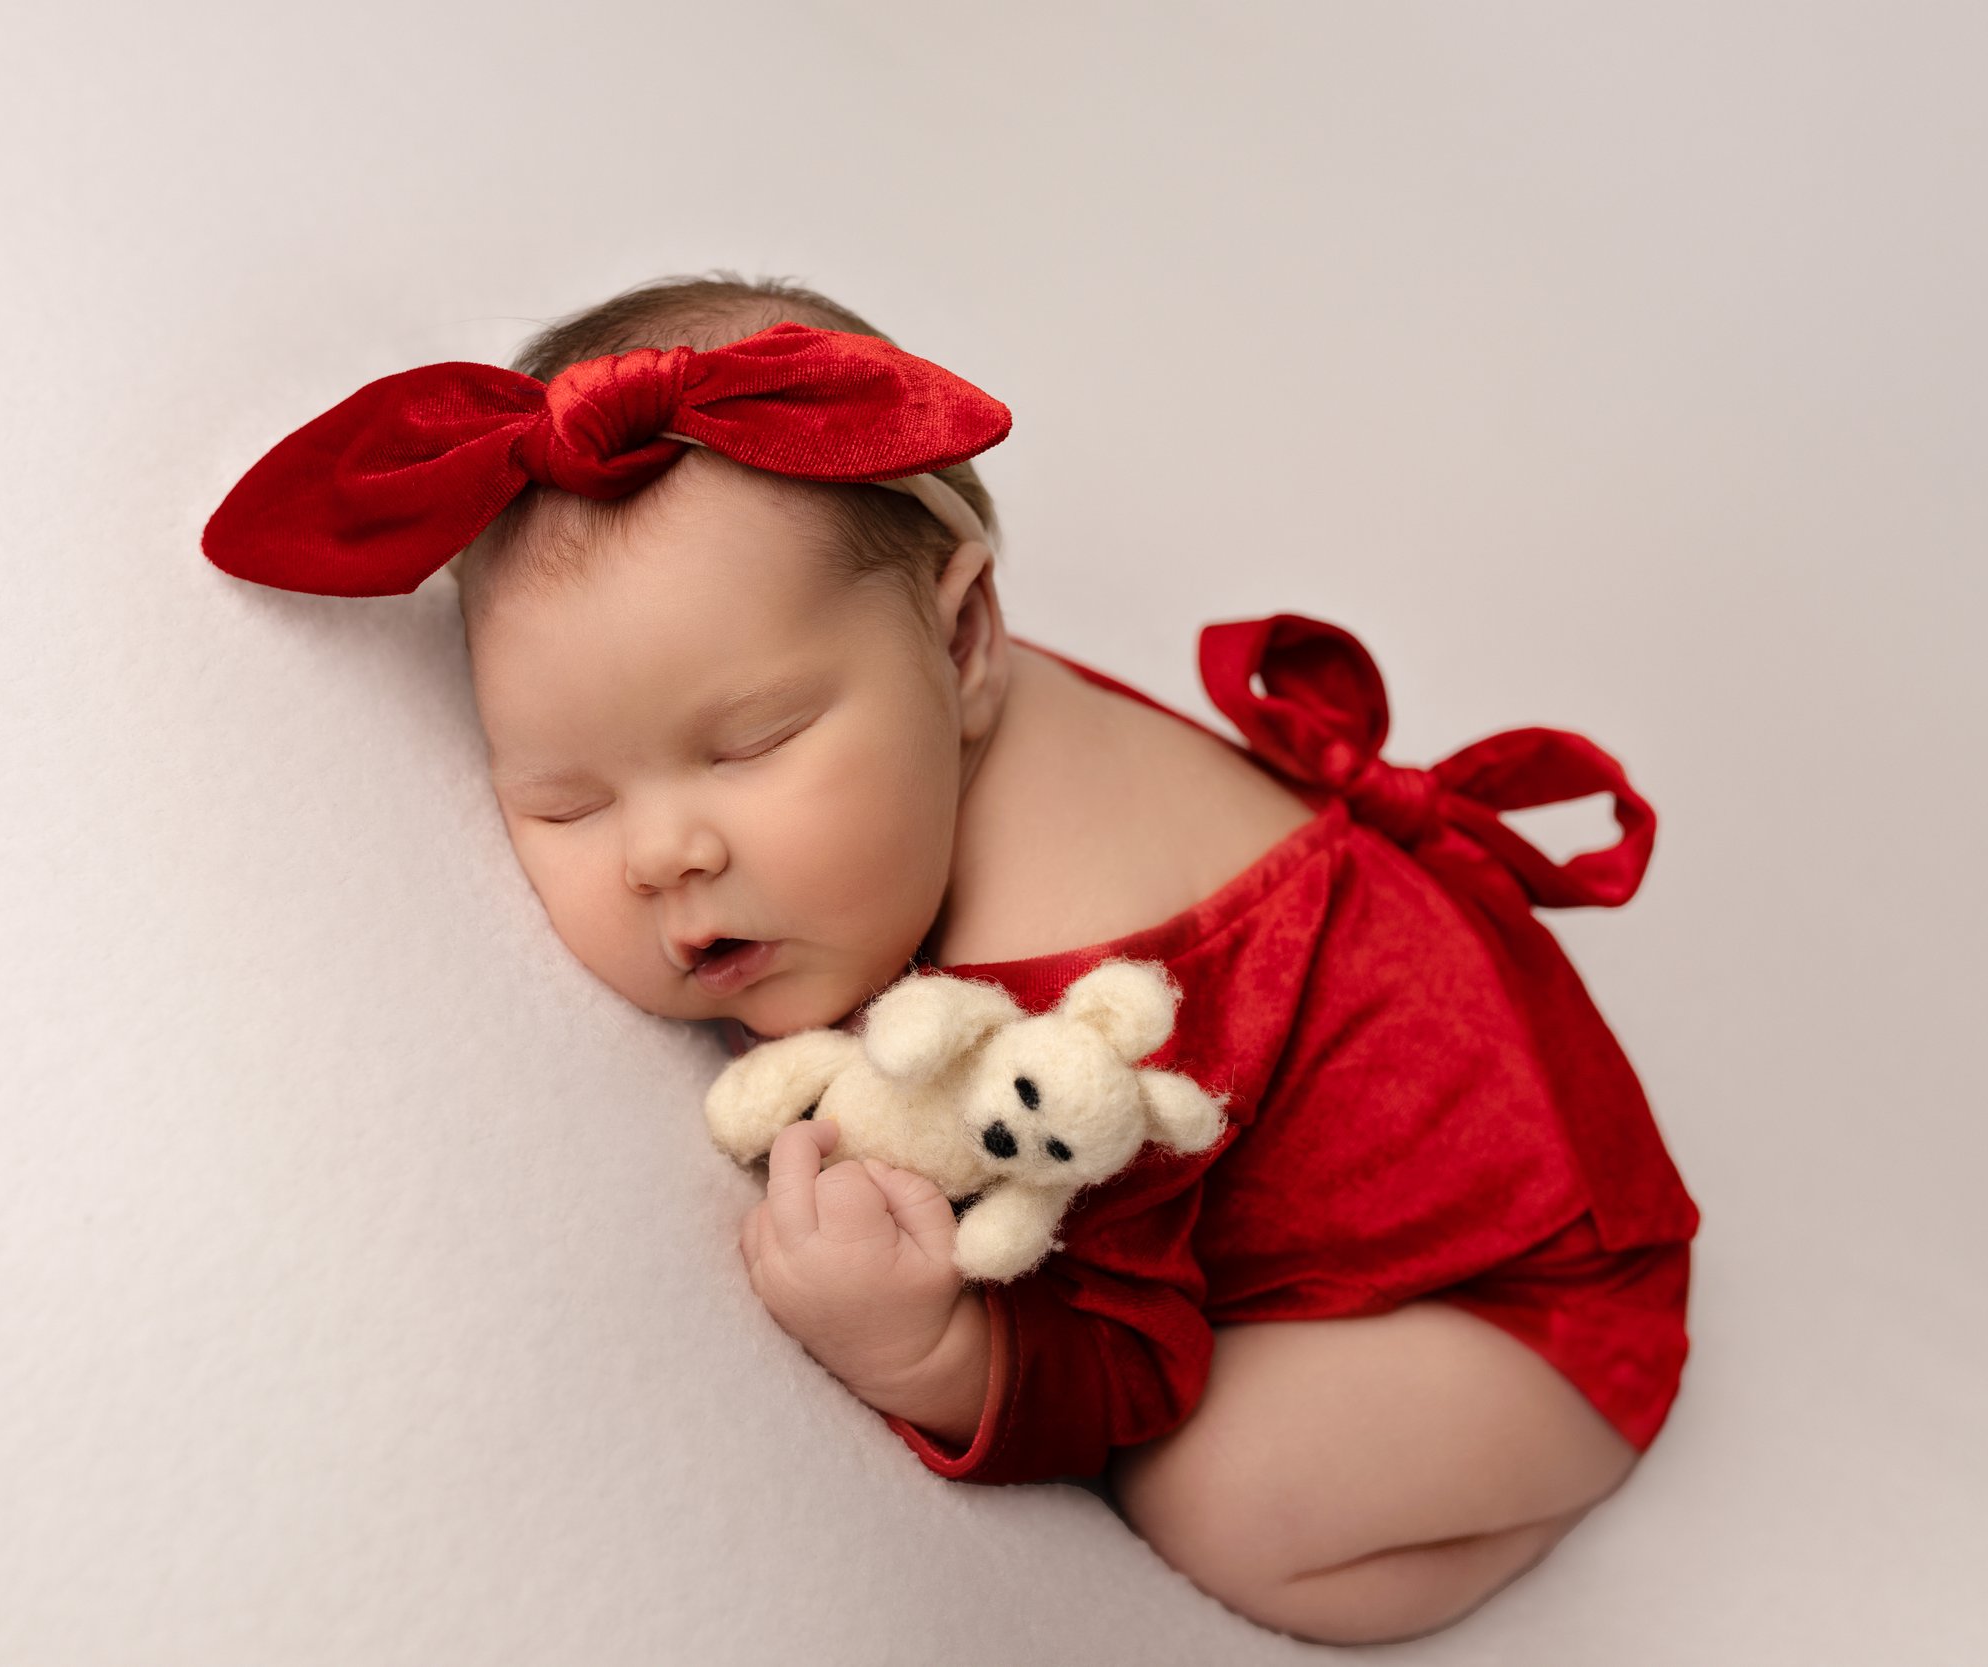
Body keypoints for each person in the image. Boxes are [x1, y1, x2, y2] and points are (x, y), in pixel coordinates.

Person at [200, 272, 1700, 1645]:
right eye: (565, 798)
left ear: (964, 633)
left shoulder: (1071, 1000)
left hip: (1510, 1297)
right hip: (1436, 1077)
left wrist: (935, 1351)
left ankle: (1541, 1475)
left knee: (1219, 1494)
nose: (663, 854)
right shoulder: (922, 731)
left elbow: (1131, 1363)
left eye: (756, 742)